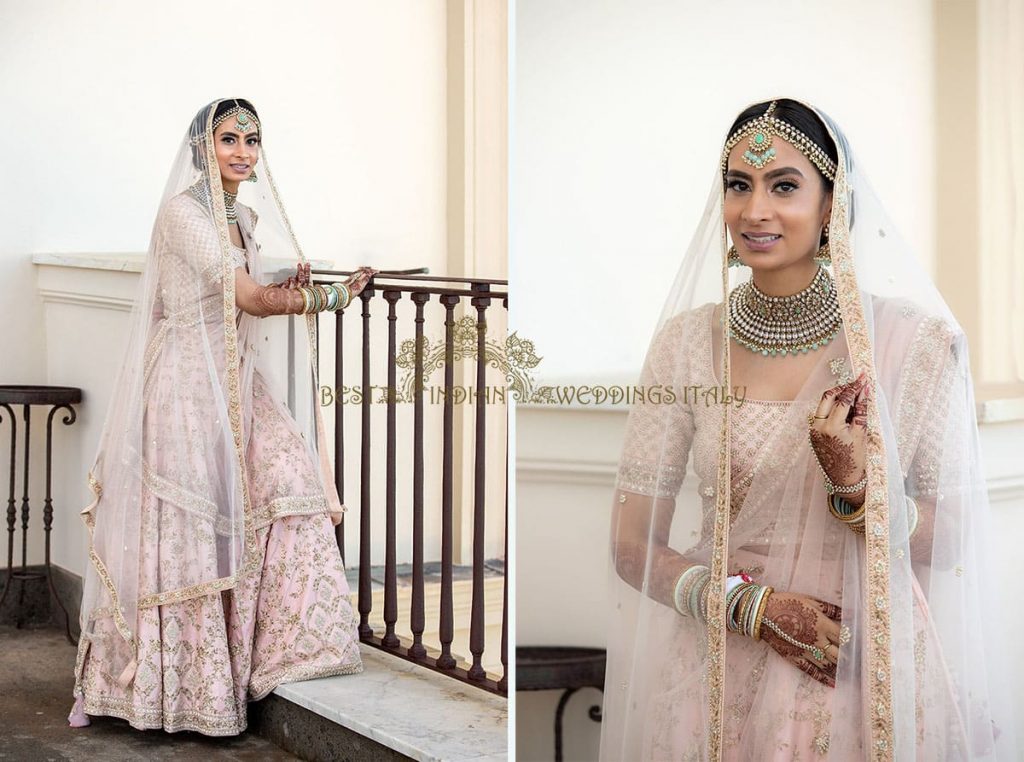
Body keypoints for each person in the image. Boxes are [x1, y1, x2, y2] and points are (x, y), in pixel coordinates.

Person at [602, 98, 1017, 760]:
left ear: (832, 205)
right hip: (720, 666)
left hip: (865, 667)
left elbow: (955, 536)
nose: (754, 210)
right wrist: (754, 611)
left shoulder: (910, 347)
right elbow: (631, 548)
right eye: (739, 185)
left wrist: (854, 487)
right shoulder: (685, 347)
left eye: (784, 186)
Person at [68, 98, 375, 735]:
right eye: (227, 138)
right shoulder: (183, 216)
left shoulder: (245, 214)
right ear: (201, 147)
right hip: (184, 384)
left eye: (251, 140)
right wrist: (338, 296)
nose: (241, 150)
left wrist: (295, 281)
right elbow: (252, 300)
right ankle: (175, 691)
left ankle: (275, 649)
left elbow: (250, 289)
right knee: (189, 530)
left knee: (289, 481)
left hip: (233, 378)